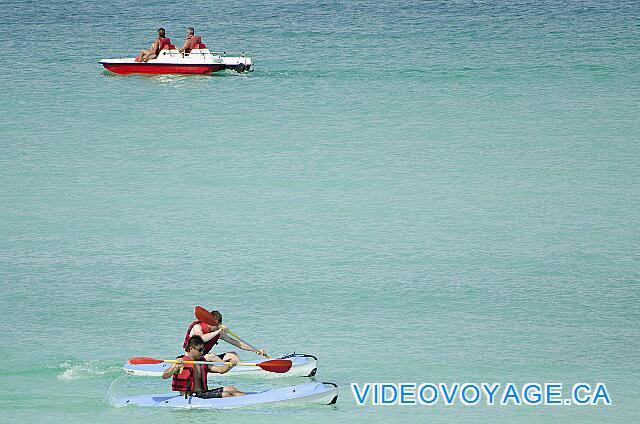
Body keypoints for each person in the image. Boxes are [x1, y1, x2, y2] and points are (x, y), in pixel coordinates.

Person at [162, 336, 245, 398]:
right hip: (193, 396)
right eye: (200, 350)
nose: (202, 352)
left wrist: (230, 364)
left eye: (203, 349)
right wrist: (176, 367)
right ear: (191, 349)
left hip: (204, 392)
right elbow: (165, 376)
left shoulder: (202, 361)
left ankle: (248, 399)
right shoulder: (181, 361)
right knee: (226, 395)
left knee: (231, 389)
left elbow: (221, 370)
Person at [183, 310, 268, 365]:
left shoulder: (218, 332)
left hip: (203, 358)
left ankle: (241, 370)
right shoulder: (198, 327)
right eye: (215, 325)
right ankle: (225, 369)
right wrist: (218, 331)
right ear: (208, 322)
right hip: (192, 359)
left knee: (233, 355)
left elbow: (236, 343)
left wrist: (256, 350)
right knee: (211, 356)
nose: (217, 327)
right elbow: (202, 338)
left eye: (218, 325)